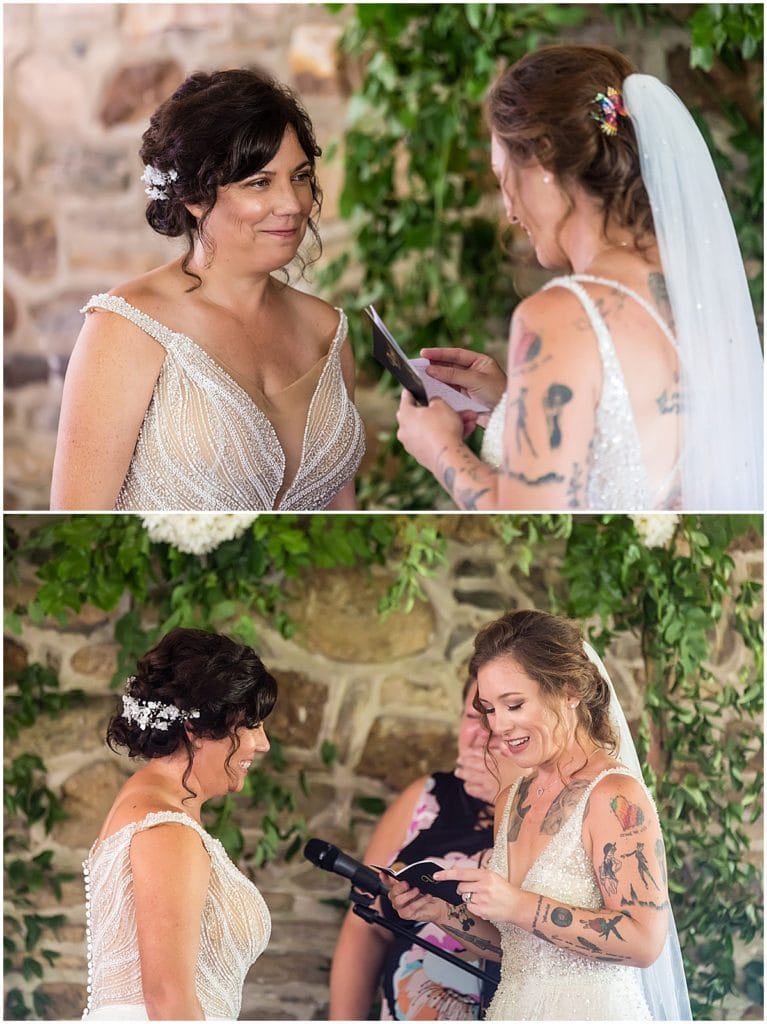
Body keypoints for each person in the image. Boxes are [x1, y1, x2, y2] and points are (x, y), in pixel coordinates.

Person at [396, 44, 763, 512]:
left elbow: (532, 521)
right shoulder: (692, 288)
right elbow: (633, 435)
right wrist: (511, 403)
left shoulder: (559, 317)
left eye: (504, 175)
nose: (509, 211)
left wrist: (438, 449)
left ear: (544, 163)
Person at [51, 68, 365, 511]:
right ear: (195, 197)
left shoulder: (328, 330)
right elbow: (76, 528)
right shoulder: (127, 327)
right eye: (259, 182)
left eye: (299, 176)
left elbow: (343, 515)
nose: (292, 203)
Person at [388, 609, 691, 1021]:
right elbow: (516, 946)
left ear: (568, 690)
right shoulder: (511, 800)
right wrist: (440, 913)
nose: (500, 726)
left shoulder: (614, 796)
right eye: (489, 710)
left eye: (514, 704)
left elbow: (643, 941)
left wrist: (516, 904)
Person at [82, 627, 277, 1020]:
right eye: (251, 724)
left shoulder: (156, 810)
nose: (263, 743)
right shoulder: (166, 831)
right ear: (198, 730)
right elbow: (168, 1000)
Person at [329, 679, 522, 1020]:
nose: (483, 732)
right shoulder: (425, 797)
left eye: (496, 717)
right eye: (471, 716)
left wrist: (511, 795)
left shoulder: (551, 811)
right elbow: (365, 930)